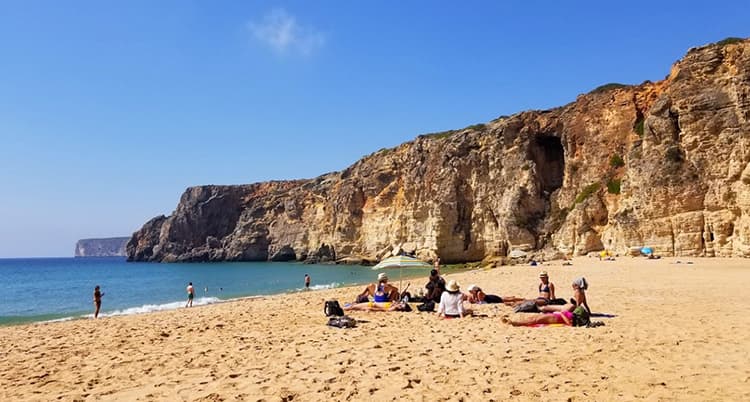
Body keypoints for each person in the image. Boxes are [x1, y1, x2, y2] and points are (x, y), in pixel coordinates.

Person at [502, 302, 577, 326]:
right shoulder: (571, 314)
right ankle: (516, 322)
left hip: (554, 318)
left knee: (535, 320)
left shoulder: (572, 317)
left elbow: (569, 324)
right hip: (553, 316)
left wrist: (562, 314)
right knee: (534, 318)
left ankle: (515, 323)